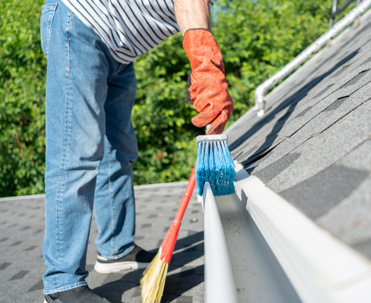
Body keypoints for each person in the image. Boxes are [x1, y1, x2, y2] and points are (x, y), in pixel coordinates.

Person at [40, 0, 233, 301]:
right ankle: (61, 284)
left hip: (121, 52)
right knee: (75, 156)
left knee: (119, 150)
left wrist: (200, 76)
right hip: (80, 23)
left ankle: (116, 248)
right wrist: (205, 66)